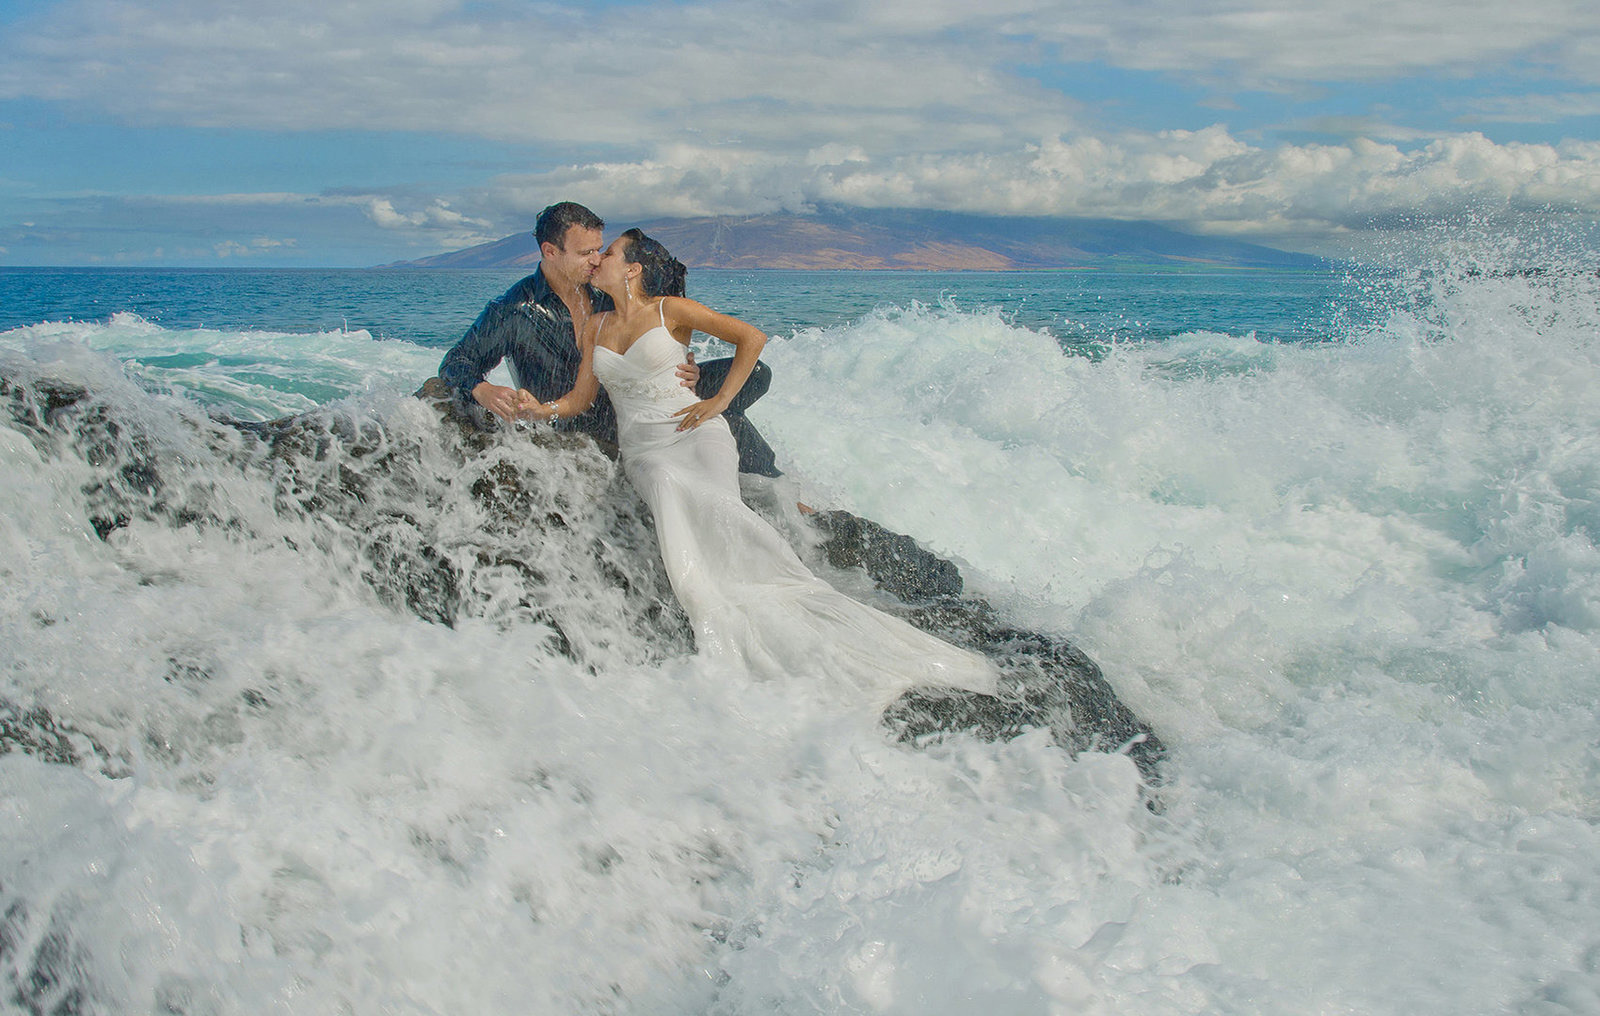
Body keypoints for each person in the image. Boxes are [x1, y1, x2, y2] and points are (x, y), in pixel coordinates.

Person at [530, 228, 995, 703]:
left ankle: (792, 595)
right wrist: (536, 409)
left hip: (697, 434)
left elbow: (751, 338)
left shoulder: (671, 310)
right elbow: (579, 399)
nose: (598, 260)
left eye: (607, 253)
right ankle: (730, 611)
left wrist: (718, 402)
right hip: (645, 450)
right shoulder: (595, 326)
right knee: (667, 486)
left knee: (717, 509)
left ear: (633, 269)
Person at [430, 201, 781, 476]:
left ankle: (774, 484)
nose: (596, 260)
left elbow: (654, 330)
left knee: (752, 377)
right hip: (581, 420)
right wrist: (483, 389)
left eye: (599, 249)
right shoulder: (514, 309)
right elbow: (456, 362)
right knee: (723, 419)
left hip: (635, 400)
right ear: (550, 252)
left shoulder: (604, 293)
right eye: (585, 253)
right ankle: (779, 492)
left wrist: (687, 368)